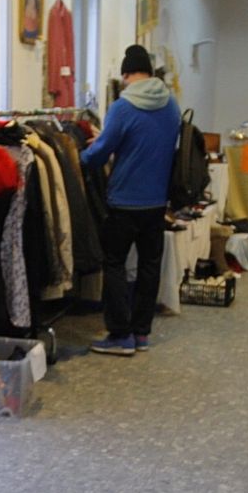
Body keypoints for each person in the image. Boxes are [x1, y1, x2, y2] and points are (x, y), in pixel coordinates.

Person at [81, 44, 181, 356]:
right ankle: (141, 333)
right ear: (150, 73)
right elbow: (152, 142)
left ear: (126, 74)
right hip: (156, 203)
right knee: (150, 266)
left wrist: (80, 157)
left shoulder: (122, 107)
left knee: (115, 264)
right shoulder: (171, 105)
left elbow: (100, 153)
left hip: (124, 200)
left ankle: (119, 334)